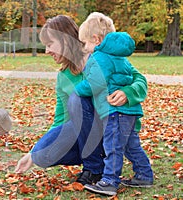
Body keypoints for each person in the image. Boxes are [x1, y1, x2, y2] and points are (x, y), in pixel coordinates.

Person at [14, 15, 148, 187]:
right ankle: (95, 159)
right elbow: (61, 120)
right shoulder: (63, 77)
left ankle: (94, 169)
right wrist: (33, 152)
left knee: (77, 98)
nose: (47, 51)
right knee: (42, 155)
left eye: (49, 45)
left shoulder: (102, 55)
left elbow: (140, 80)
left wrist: (127, 92)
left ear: (65, 40)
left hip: (112, 125)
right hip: (86, 134)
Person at [75, 12, 153, 196]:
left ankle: (109, 181)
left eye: (85, 43)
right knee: (130, 145)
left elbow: (95, 83)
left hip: (115, 111)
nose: (85, 48)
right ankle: (144, 174)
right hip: (129, 111)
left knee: (113, 147)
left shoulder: (100, 57)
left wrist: (77, 89)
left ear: (96, 39)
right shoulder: (121, 58)